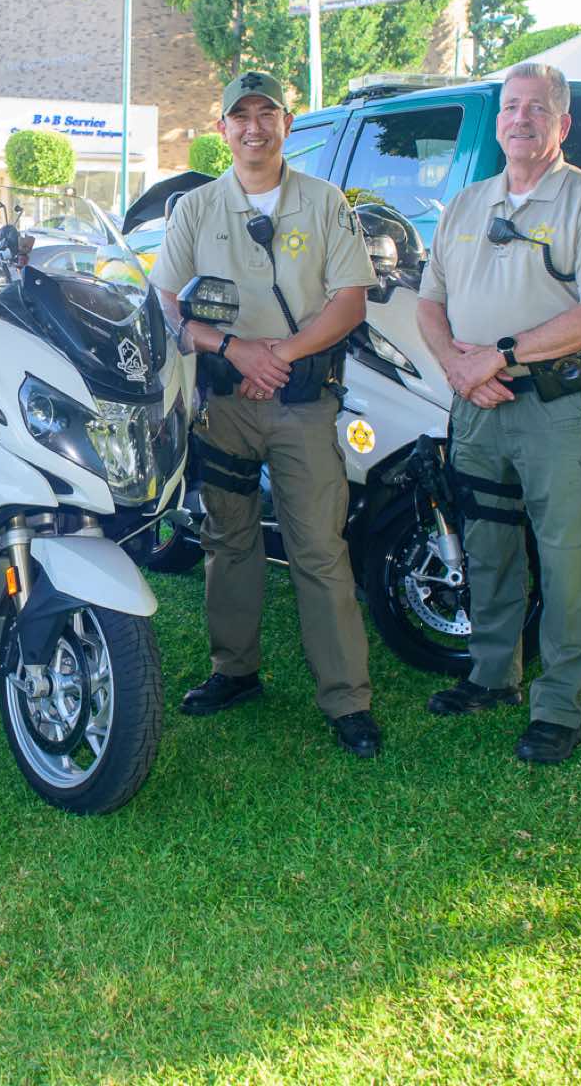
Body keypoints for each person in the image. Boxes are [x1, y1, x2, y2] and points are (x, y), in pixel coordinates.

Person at [149, 71, 382, 757]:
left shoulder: (325, 201)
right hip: (225, 403)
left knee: (319, 549)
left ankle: (347, 699)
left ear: (287, 122)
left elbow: (350, 300)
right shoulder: (195, 207)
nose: (254, 127)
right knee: (228, 540)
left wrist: (275, 356)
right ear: (222, 128)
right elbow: (165, 303)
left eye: (266, 114)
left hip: (299, 402)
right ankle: (234, 670)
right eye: (240, 116)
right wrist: (233, 350)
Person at [415, 63, 581, 765]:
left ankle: (559, 705)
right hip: (477, 405)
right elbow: (429, 301)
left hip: (557, 410)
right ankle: (491, 675)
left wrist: (497, 356)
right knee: (489, 544)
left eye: (537, 108)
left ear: (562, 123)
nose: (520, 119)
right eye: (511, 107)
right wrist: (458, 367)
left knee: (568, 558)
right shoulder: (467, 203)